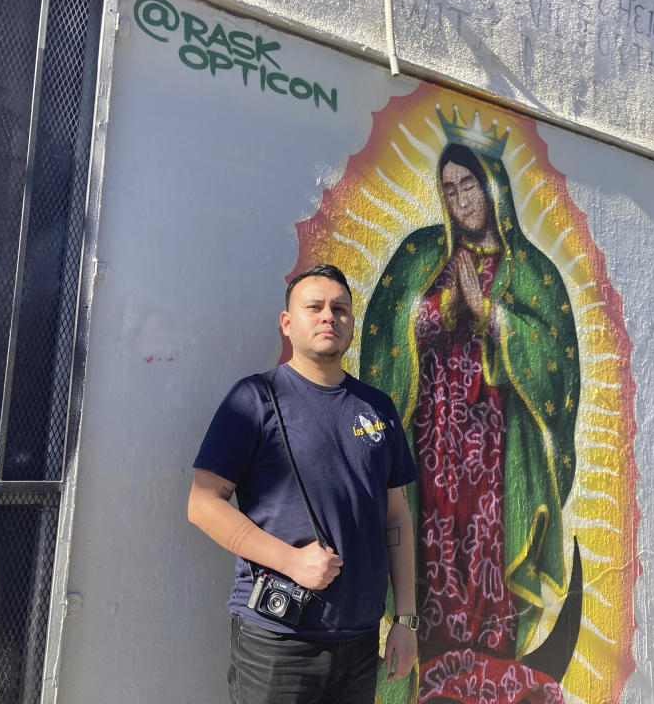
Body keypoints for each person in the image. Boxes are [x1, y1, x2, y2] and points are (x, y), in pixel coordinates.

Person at [359, 109, 582, 703]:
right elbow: (386, 331)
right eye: (450, 188)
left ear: (495, 190)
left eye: (471, 185)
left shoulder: (531, 271)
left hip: (498, 449)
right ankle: (431, 667)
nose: (461, 199)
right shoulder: (422, 254)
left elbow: (557, 365)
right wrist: (439, 312)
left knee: (486, 545)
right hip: (432, 437)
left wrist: (492, 317)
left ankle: (485, 672)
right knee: (434, 541)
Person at [188, 264, 420, 704]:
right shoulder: (253, 399)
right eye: (314, 307)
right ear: (287, 323)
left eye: (340, 308)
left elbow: (397, 517)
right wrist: (290, 561)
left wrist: (405, 620)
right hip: (278, 638)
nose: (328, 316)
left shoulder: (378, 407)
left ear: (352, 323)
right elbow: (202, 505)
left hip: (360, 638)